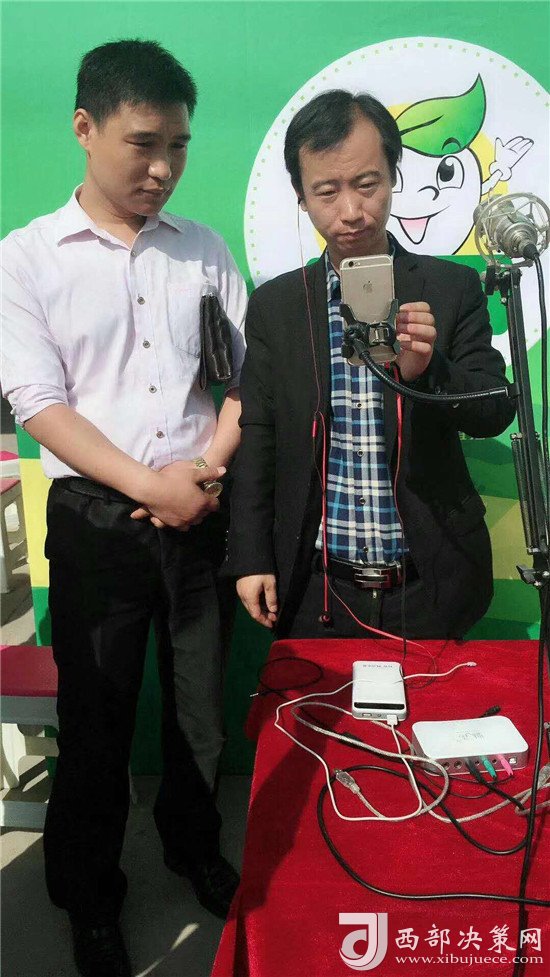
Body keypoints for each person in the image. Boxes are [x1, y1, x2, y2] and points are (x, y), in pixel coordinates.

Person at [1, 39, 247, 977]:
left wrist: (205, 471)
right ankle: (89, 895)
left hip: (201, 510)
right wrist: (152, 487)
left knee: (198, 714)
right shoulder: (26, 258)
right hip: (98, 522)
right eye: (144, 143)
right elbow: (39, 405)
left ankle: (192, 846)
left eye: (178, 146)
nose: (163, 167)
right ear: (85, 127)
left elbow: (242, 379)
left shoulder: (204, 249)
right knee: (96, 722)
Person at [226, 90, 515, 641]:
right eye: (326, 191)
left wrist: (427, 371)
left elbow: (494, 411)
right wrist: (250, 555)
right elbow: (259, 434)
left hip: (431, 583)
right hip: (314, 588)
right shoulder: (278, 306)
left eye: (367, 184)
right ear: (301, 197)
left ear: (393, 177)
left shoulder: (451, 288)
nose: (351, 211)